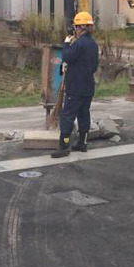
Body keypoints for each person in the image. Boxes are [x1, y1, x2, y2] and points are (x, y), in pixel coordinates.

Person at [51, 11, 99, 158]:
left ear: (83, 27)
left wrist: (66, 43)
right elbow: (94, 66)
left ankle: (64, 146)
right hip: (88, 86)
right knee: (84, 114)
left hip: (76, 87)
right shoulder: (93, 44)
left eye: (77, 27)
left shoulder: (80, 44)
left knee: (67, 116)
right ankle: (82, 143)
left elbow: (67, 57)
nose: (76, 30)